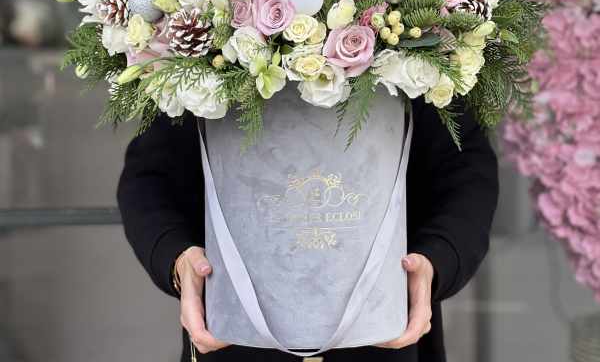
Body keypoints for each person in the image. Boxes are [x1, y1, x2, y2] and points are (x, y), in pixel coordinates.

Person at [118, 95, 498, 362]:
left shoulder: (416, 27)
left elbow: (465, 170)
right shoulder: (201, 37)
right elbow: (150, 180)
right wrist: (178, 260)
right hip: (234, 343)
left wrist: (436, 259)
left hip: (386, 340)